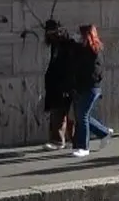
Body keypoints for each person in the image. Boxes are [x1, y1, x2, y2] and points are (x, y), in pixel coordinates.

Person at [69, 24, 114, 157]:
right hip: (83, 87)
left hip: (91, 87)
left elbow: (95, 71)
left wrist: (85, 82)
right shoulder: (81, 49)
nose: (77, 36)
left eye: (80, 34)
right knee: (83, 115)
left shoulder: (93, 50)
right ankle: (104, 132)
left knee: (82, 115)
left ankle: (84, 147)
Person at [42, 21, 76, 150]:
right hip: (56, 85)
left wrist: (67, 86)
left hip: (63, 85)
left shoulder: (65, 45)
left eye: (51, 33)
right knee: (61, 112)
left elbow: (68, 68)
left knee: (60, 112)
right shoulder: (55, 45)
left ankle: (58, 140)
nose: (49, 36)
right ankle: (71, 139)